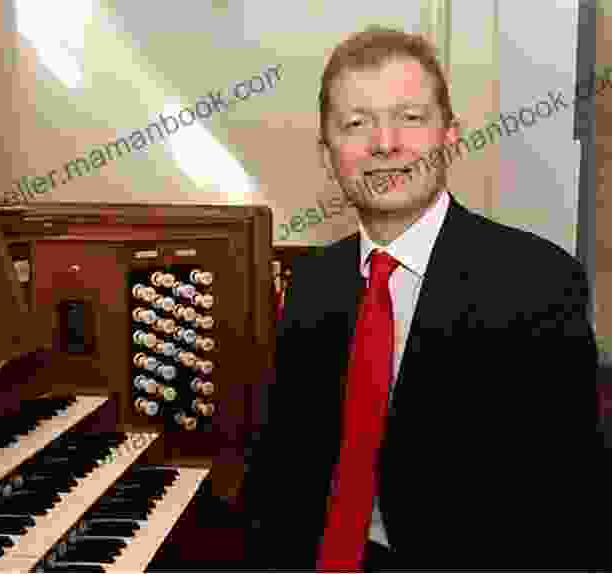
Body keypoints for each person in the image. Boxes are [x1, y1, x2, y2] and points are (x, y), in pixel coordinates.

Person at [246, 26, 600, 571]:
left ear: (450, 134)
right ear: (328, 153)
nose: (385, 143)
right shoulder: (312, 283)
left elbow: (567, 511)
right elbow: (286, 478)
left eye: (410, 118)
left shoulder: (539, 284)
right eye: (355, 124)